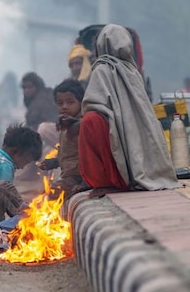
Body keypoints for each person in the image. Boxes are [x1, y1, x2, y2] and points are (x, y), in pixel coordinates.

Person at [79, 24, 179, 191]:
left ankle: (105, 181)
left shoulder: (102, 68)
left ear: (102, 44)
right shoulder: (133, 71)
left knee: (90, 121)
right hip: (133, 143)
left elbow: (92, 105)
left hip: (112, 140)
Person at [38, 78, 86, 197]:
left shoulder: (84, 125)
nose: (64, 107)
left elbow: (91, 156)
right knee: (44, 196)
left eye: (70, 102)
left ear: (81, 102)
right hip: (69, 174)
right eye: (60, 103)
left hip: (79, 177)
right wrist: (54, 162)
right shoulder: (64, 125)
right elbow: (70, 155)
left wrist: (85, 182)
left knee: (49, 197)